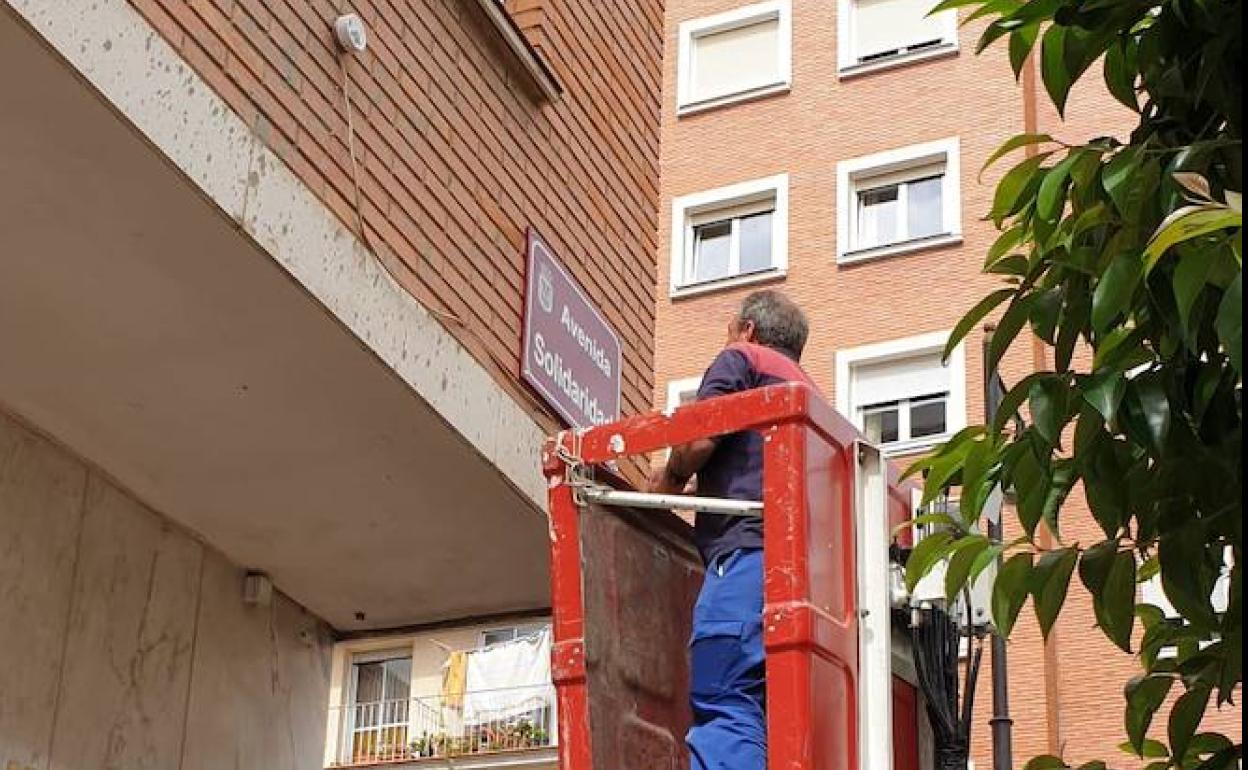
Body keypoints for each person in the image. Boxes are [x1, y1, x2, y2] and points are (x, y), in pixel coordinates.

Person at [648, 289, 816, 770]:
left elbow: (701, 435)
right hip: (798, 570)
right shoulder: (807, 391)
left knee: (723, 691)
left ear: (748, 329)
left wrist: (673, 476)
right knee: (767, 704)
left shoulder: (742, 357)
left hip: (743, 555)